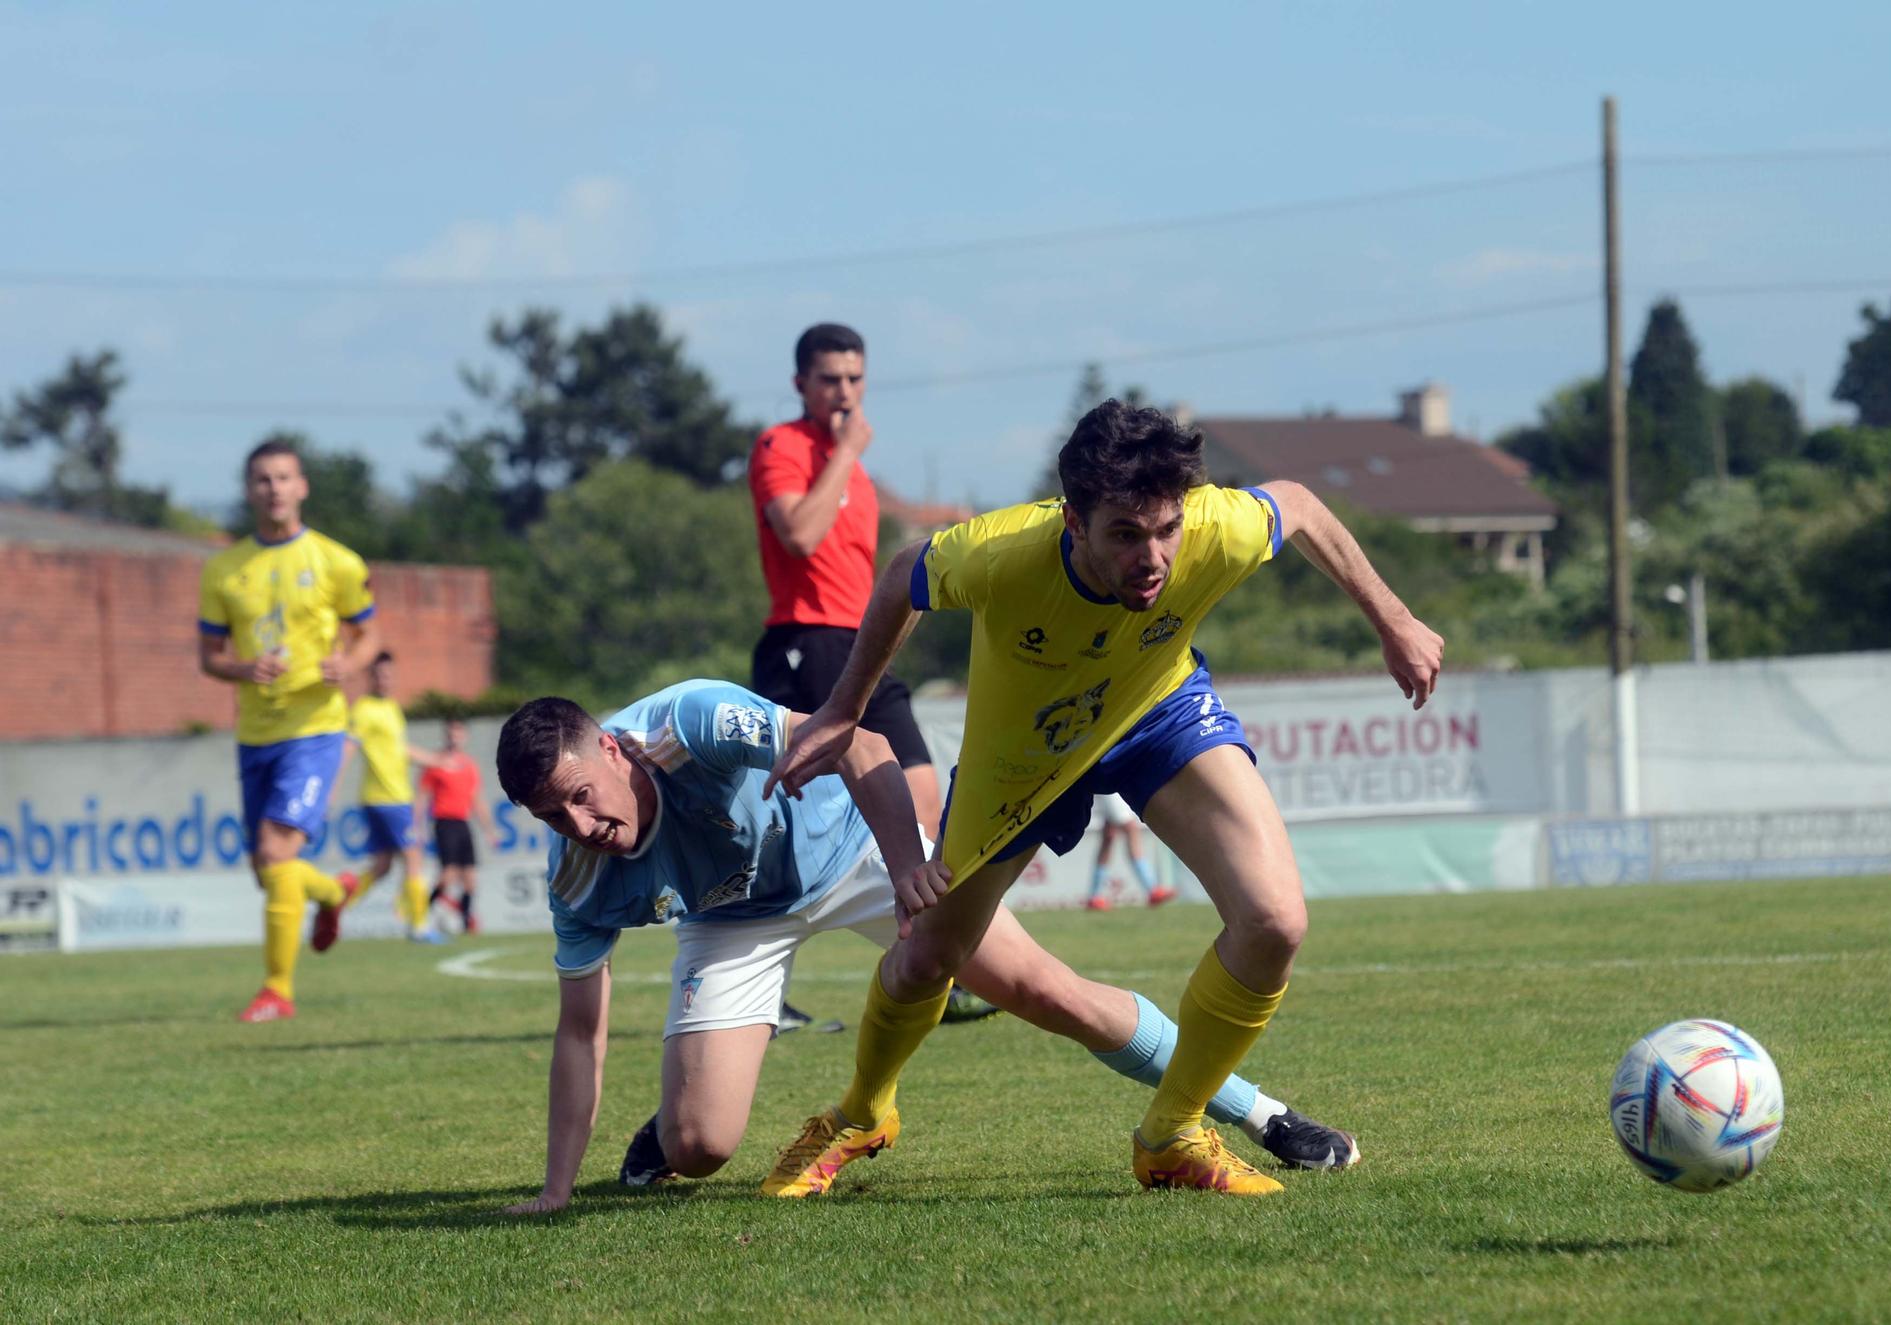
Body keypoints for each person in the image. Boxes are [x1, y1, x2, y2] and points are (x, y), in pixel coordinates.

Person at [764, 400, 1443, 1196]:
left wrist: (1393, 619)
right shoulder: (1002, 553)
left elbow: (1300, 503)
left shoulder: (1215, 526)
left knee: (1276, 921)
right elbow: (899, 579)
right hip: (1022, 756)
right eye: (1125, 534)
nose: (1152, 557)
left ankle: (1172, 1135)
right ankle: (861, 1112)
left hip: (1158, 712)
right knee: (927, 956)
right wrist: (844, 709)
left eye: (1166, 530)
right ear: (1072, 521)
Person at [490, 681, 1356, 1216]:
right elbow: (579, 1031)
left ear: (609, 746)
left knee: (1046, 991)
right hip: (734, 921)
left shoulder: (691, 722)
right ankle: (678, 1118)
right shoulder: (577, 878)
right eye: (549, 816)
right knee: (699, 1146)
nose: (578, 825)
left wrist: (908, 869)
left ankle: (1263, 1114)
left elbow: (860, 740)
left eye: (578, 795)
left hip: (854, 852)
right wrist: (556, 1188)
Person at [748, 322, 995, 1025]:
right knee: (777, 827)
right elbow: (798, 532)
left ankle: (923, 973)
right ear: (801, 383)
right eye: (830, 378)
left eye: (855, 379)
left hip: (865, 649)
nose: (845, 392)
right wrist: (846, 450)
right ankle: (761, 990)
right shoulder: (782, 447)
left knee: (923, 816)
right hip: (804, 644)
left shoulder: (851, 467)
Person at [199, 437, 382, 1022]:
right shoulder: (224, 570)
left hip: (317, 728)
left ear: (301, 486)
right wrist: (242, 667)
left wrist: (348, 665)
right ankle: (334, 892)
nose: (274, 488)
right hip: (255, 733)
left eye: (283, 478)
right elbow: (208, 656)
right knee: (266, 869)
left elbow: (369, 636)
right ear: (249, 490)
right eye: (262, 479)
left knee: (277, 850)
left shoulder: (337, 561)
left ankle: (277, 990)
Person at [342, 651, 445, 943]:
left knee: (382, 866)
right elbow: (349, 746)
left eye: (389, 675)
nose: (385, 680)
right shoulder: (364, 709)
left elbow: (400, 750)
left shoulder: (391, 708)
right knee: (414, 857)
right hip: (389, 798)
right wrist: (330, 789)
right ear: (369, 677)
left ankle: (337, 904)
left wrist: (434, 760)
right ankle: (420, 926)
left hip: (386, 798)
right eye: (379, 675)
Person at [421, 718, 495, 934]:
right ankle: (422, 915)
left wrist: (489, 830)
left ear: (464, 737)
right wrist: (419, 826)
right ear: (446, 736)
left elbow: (476, 799)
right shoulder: (436, 762)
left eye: (458, 733)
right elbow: (422, 796)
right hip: (444, 823)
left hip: (463, 823)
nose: (455, 737)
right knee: (448, 874)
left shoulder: (469, 765)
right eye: (451, 733)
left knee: (470, 879)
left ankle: (465, 924)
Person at [1083, 793, 1174, 910]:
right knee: (1130, 829)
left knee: (1109, 836)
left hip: (1112, 787)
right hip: (1111, 787)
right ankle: (1152, 889)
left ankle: (1094, 897)